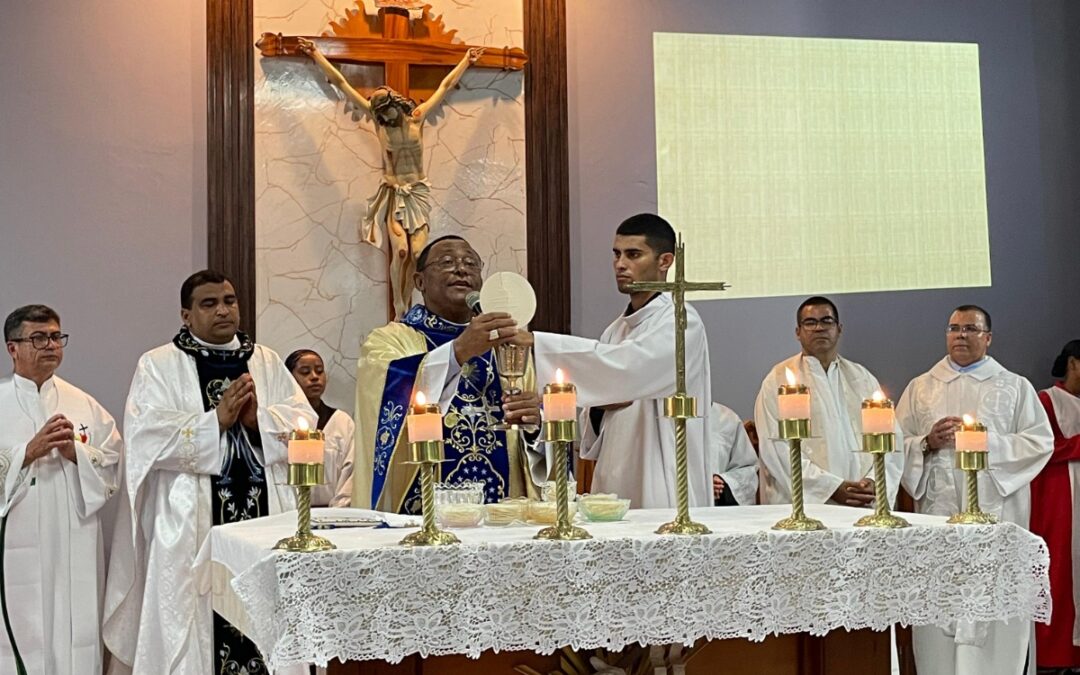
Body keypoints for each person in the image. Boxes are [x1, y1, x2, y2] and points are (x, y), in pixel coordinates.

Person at [103, 270, 314, 675]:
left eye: (229, 301)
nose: (223, 310)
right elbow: (145, 435)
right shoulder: (158, 364)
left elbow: (303, 422)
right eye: (209, 303)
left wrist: (258, 421)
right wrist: (214, 421)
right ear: (186, 315)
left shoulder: (266, 361)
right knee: (191, 619)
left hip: (266, 517)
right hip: (190, 520)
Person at [515, 213, 713, 509]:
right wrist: (589, 405)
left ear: (665, 261)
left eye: (633, 254)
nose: (620, 264)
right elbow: (605, 400)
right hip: (614, 473)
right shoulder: (615, 330)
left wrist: (538, 343)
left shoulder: (680, 320)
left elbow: (629, 370)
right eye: (616, 254)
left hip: (663, 474)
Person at [897, 304, 1052, 675]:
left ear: (988, 338)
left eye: (970, 329)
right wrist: (926, 442)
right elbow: (893, 444)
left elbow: (1040, 442)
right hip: (938, 521)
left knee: (993, 607)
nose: (961, 335)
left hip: (997, 518)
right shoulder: (921, 388)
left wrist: (986, 443)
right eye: (954, 328)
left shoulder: (1014, 386)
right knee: (939, 606)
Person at [353, 235, 546, 512]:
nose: (461, 269)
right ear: (419, 282)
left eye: (471, 263)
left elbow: (532, 431)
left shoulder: (508, 347)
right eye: (446, 262)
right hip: (422, 513)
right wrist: (458, 352)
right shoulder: (388, 341)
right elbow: (385, 400)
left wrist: (535, 423)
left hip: (503, 513)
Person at [298, 38, 485, 318]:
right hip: (395, 192)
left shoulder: (417, 118)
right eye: (379, 113)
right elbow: (342, 84)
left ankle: (414, 300)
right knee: (401, 252)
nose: (383, 116)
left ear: (395, 105)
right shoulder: (380, 124)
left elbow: (445, 86)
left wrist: (467, 61)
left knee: (419, 252)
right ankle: (400, 305)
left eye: (385, 111)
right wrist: (316, 54)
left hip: (417, 192)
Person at [0, 305, 121, 675]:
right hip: (15, 548)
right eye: (39, 338)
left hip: (74, 542)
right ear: (12, 348)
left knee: (75, 635)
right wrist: (26, 453)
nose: (51, 345)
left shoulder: (84, 405)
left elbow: (113, 463)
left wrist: (76, 454)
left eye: (56, 336)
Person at [754, 297, 902, 507]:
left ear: (839, 329)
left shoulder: (862, 377)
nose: (819, 328)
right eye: (810, 322)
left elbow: (892, 438)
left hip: (863, 499)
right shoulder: (777, 381)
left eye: (826, 321)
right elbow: (776, 450)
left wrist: (873, 481)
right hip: (806, 504)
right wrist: (830, 488)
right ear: (798, 332)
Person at [1030, 339, 1080, 672]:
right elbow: (1041, 449)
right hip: (1059, 501)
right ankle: (1056, 656)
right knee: (1060, 574)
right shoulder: (1046, 400)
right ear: (1074, 363)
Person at [286, 349, 354, 507]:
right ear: (288, 378)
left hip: (334, 513)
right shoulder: (281, 421)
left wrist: (338, 511)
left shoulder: (342, 422)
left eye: (319, 371)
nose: (314, 377)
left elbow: (351, 474)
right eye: (305, 372)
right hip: (290, 511)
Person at [709, 402, 758, 506]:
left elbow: (748, 470)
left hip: (715, 509)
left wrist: (723, 482)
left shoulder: (727, 419)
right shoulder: (670, 417)